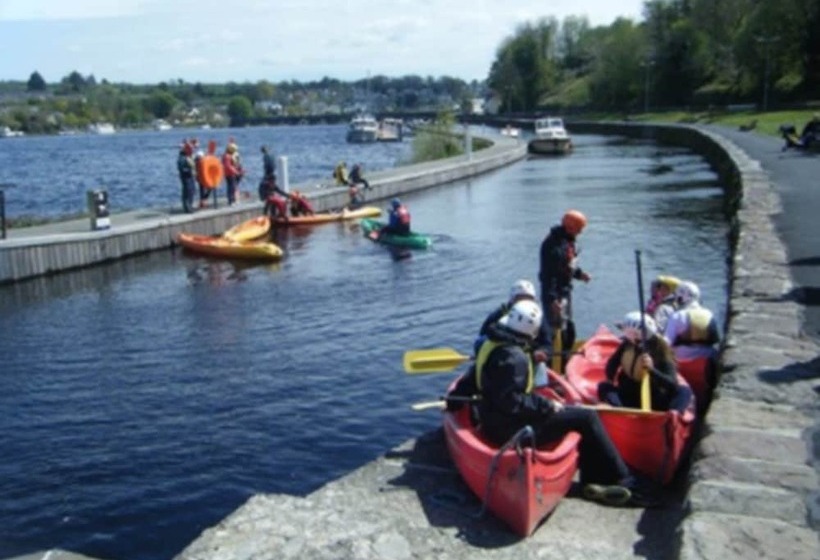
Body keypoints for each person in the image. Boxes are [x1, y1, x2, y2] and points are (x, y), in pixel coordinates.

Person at [446, 300, 655, 507]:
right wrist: (547, 405)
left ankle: (593, 478)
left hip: (492, 423)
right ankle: (622, 478)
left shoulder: (491, 345)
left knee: (575, 414)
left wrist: (453, 401)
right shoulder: (514, 358)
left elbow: (470, 381)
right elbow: (513, 402)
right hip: (511, 431)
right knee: (586, 417)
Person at [599, 311, 693, 413]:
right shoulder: (626, 345)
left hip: (654, 399)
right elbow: (612, 364)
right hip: (629, 396)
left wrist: (652, 370)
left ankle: (672, 415)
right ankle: (620, 410)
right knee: (604, 386)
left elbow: (671, 384)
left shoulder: (660, 350)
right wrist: (610, 378)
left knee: (684, 391)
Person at [537, 209, 591, 354]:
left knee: (567, 327)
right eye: (579, 229)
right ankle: (551, 357)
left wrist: (579, 274)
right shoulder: (552, 245)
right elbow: (548, 275)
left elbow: (568, 264)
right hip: (555, 294)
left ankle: (565, 354)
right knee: (555, 330)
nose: (580, 233)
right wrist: (552, 299)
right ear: (570, 227)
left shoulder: (568, 241)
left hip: (565, 291)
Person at [473, 279, 538, 354]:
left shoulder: (536, 316)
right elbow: (482, 337)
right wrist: (515, 341)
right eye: (520, 299)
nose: (524, 302)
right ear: (512, 299)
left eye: (528, 299)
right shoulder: (500, 314)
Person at [663, 281, 721, 361]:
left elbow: (666, 343)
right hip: (709, 358)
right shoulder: (709, 314)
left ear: (681, 298)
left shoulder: (678, 316)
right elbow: (715, 340)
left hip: (682, 360)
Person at [177, 142, 196, 213]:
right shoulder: (182, 158)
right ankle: (187, 208)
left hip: (190, 177)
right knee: (187, 192)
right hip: (186, 177)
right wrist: (189, 171)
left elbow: (193, 164)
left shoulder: (189, 156)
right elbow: (181, 169)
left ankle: (190, 205)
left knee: (192, 191)